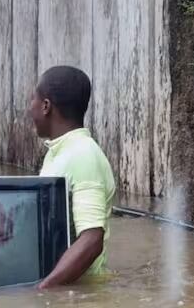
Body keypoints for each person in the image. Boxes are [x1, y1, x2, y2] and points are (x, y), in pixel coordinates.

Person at [28, 66, 116, 288]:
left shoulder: (83, 155)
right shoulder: (58, 152)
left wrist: (44, 290)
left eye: (33, 99)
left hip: (80, 294)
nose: (30, 108)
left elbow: (92, 239)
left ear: (46, 106)